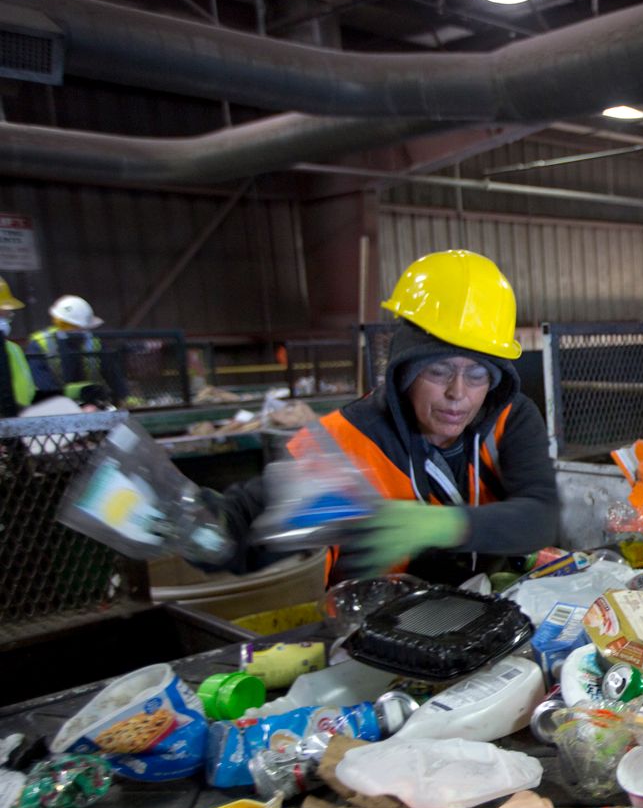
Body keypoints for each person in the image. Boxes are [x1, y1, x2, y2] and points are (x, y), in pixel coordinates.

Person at [208, 249, 560, 584]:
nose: (458, 393)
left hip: (481, 614)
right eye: (438, 371)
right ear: (404, 370)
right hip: (377, 627)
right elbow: (243, 526)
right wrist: (199, 527)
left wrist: (443, 525)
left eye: (477, 375)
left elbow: (541, 515)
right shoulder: (343, 441)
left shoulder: (509, 418)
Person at [28, 294, 109, 401]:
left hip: (94, 402)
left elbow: (113, 375)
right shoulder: (39, 343)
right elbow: (44, 385)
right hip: (57, 406)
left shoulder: (95, 343)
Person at [0, 277, 36, 415]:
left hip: (20, 422)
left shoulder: (12, 348)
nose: (10, 314)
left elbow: (29, 393)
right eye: (3, 310)